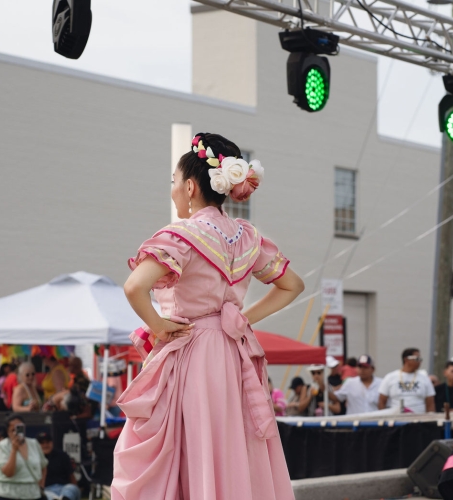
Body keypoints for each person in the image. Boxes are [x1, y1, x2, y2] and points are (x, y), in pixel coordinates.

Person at [112, 132, 305, 500]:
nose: (173, 190)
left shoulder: (181, 236)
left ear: (189, 186)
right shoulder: (248, 237)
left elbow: (134, 287)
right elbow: (292, 285)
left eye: (174, 182)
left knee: (192, 446)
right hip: (233, 354)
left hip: (193, 351)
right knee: (234, 443)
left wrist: (159, 326)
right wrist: (242, 318)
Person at [0, 413, 48, 500]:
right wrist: (14, 450)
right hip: (7, 494)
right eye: (12, 430)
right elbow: (8, 473)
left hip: (32, 494)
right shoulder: (2, 446)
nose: (16, 433)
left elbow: (43, 466)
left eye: (19, 428)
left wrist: (41, 485)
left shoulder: (33, 444)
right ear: (8, 432)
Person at [378, 348, 436, 413]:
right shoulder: (390, 377)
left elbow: (430, 403)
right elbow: (382, 401)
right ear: (406, 359)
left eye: (420, 359)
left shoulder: (424, 378)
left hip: (419, 420)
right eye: (417, 359)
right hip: (396, 420)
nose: (419, 361)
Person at [37, 432, 80, 500]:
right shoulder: (35, 459)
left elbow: (71, 476)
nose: (45, 445)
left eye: (47, 442)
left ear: (52, 443)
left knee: (71, 489)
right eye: (42, 443)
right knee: (47, 496)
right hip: (48, 490)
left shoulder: (62, 455)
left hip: (64, 487)